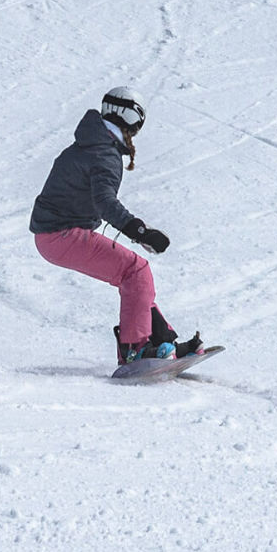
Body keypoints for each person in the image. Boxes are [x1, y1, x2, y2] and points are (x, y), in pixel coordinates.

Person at [29, 86, 202, 364]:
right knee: (136, 270)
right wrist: (138, 231)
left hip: (53, 235)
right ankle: (135, 350)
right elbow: (104, 202)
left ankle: (161, 340)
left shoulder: (89, 143)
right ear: (132, 118)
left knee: (134, 278)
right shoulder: (103, 153)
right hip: (60, 234)